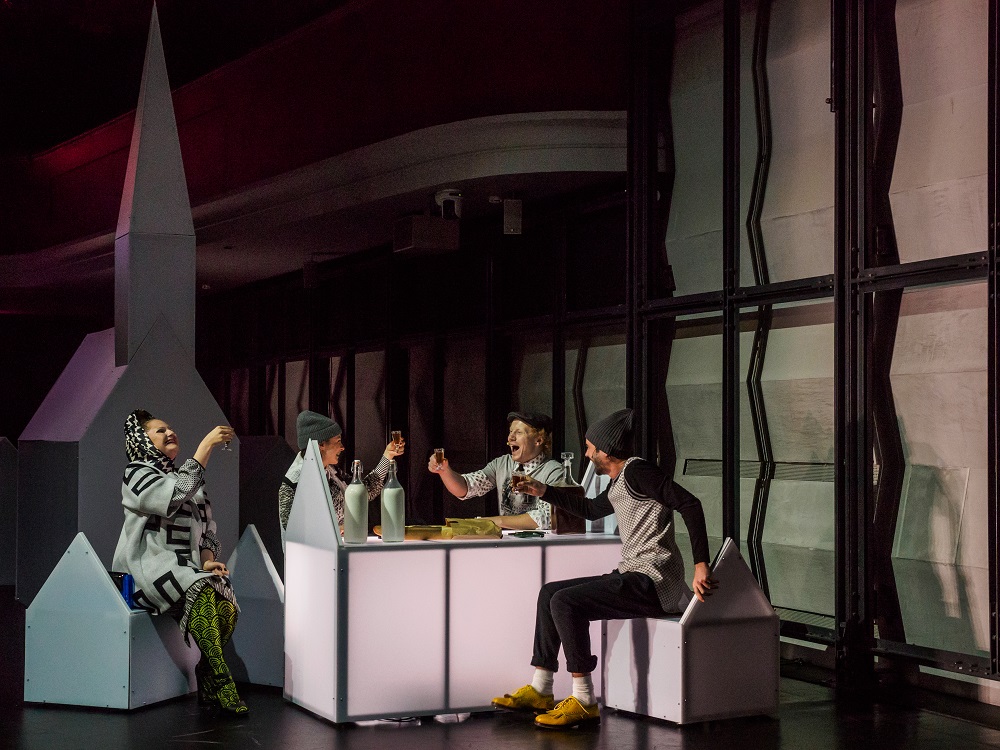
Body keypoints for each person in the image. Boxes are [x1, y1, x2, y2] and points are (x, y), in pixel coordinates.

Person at [491, 408, 714, 729]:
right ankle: (541, 688)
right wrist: (543, 491)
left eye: (589, 447)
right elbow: (592, 510)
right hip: (633, 574)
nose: (586, 454)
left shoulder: (639, 472)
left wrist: (701, 564)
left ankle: (584, 699)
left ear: (605, 451)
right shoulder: (621, 479)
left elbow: (690, 504)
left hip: (653, 579)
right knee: (550, 592)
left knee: (565, 602)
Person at [112, 409, 247, 715]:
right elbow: (174, 495)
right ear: (143, 440)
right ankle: (222, 681)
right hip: (147, 567)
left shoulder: (189, 478)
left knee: (225, 600)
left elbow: (208, 529)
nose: (169, 432)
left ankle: (206, 671)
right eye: (160, 430)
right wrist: (206, 446)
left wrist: (208, 561)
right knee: (200, 590)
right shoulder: (137, 473)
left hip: (185, 568)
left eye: (170, 427)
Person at [279, 410, 405, 547]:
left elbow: (364, 491)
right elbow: (293, 529)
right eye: (338, 441)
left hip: (337, 550)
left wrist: (388, 456)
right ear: (321, 445)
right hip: (312, 556)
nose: (342, 447)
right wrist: (334, 530)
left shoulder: (333, 473)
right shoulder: (295, 481)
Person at [428, 411, 564, 530]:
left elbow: (547, 517)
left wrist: (494, 522)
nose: (510, 438)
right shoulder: (501, 463)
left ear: (538, 440)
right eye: (510, 432)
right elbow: (467, 487)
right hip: (506, 542)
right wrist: (445, 471)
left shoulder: (554, 471)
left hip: (538, 544)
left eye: (519, 432)